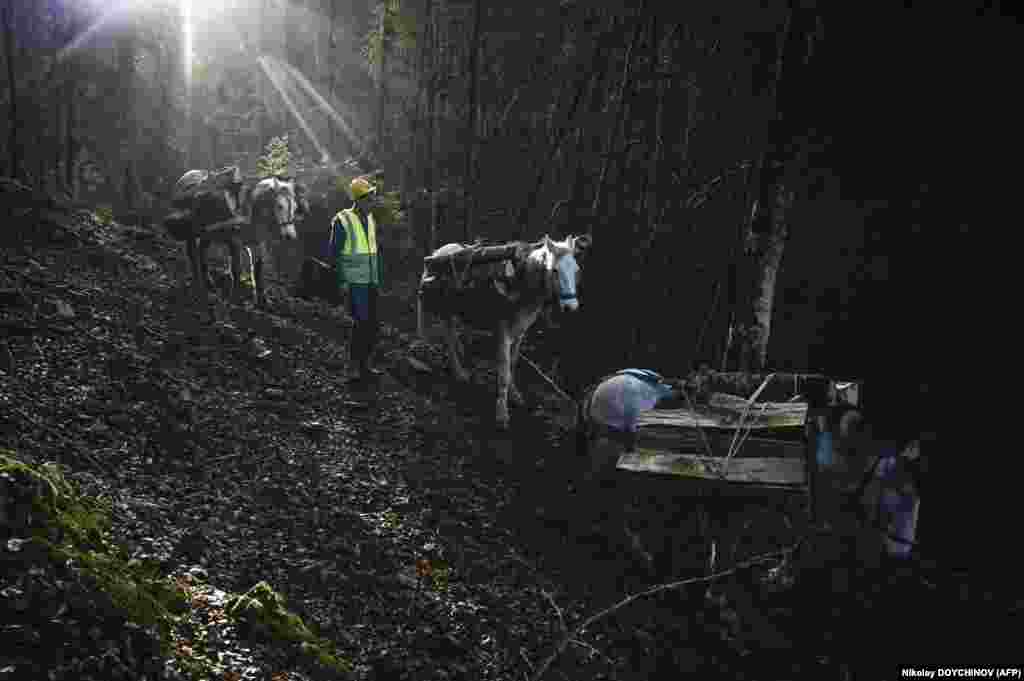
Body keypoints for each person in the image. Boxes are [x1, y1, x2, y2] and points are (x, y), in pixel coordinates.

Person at [329, 177, 383, 381]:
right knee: (360, 322)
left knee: (373, 323)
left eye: (372, 197)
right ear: (358, 200)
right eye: (369, 198)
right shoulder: (342, 220)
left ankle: (365, 364)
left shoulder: (370, 219)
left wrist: (377, 278)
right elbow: (334, 253)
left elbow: (371, 250)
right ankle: (353, 366)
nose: (372, 202)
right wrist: (342, 281)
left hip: (371, 279)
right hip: (354, 281)